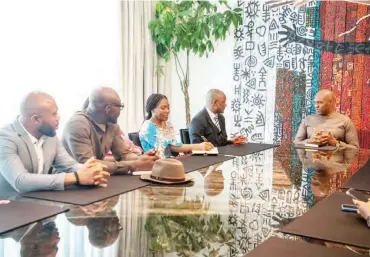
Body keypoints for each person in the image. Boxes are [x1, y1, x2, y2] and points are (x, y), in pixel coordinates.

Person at [0, 92, 109, 193]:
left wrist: (91, 171)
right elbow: (20, 181)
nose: (58, 118)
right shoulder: (5, 138)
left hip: (39, 203)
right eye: (54, 114)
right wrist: (76, 177)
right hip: (10, 206)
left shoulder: (49, 134)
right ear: (36, 119)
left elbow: (69, 165)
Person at [62, 87, 159, 175]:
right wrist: (134, 164)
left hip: (94, 178)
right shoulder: (78, 125)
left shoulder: (112, 125)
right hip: (68, 183)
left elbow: (123, 155)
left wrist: (142, 158)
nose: (120, 111)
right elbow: (90, 165)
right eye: (120, 107)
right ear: (108, 109)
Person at [139, 94, 214, 158]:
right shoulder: (147, 127)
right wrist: (198, 147)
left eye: (168, 107)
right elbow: (171, 146)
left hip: (171, 161)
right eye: (163, 108)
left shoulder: (168, 125)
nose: (167, 111)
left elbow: (175, 143)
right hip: (156, 165)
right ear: (152, 110)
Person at [294, 89, 359, 148]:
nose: (316, 106)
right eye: (315, 102)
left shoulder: (345, 121)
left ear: (330, 102)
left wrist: (335, 143)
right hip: (311, 160)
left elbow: (355, 147)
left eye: (320, 102)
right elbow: (296, 143)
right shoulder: (308, 119)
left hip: (335, 160)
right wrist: (309, 141)